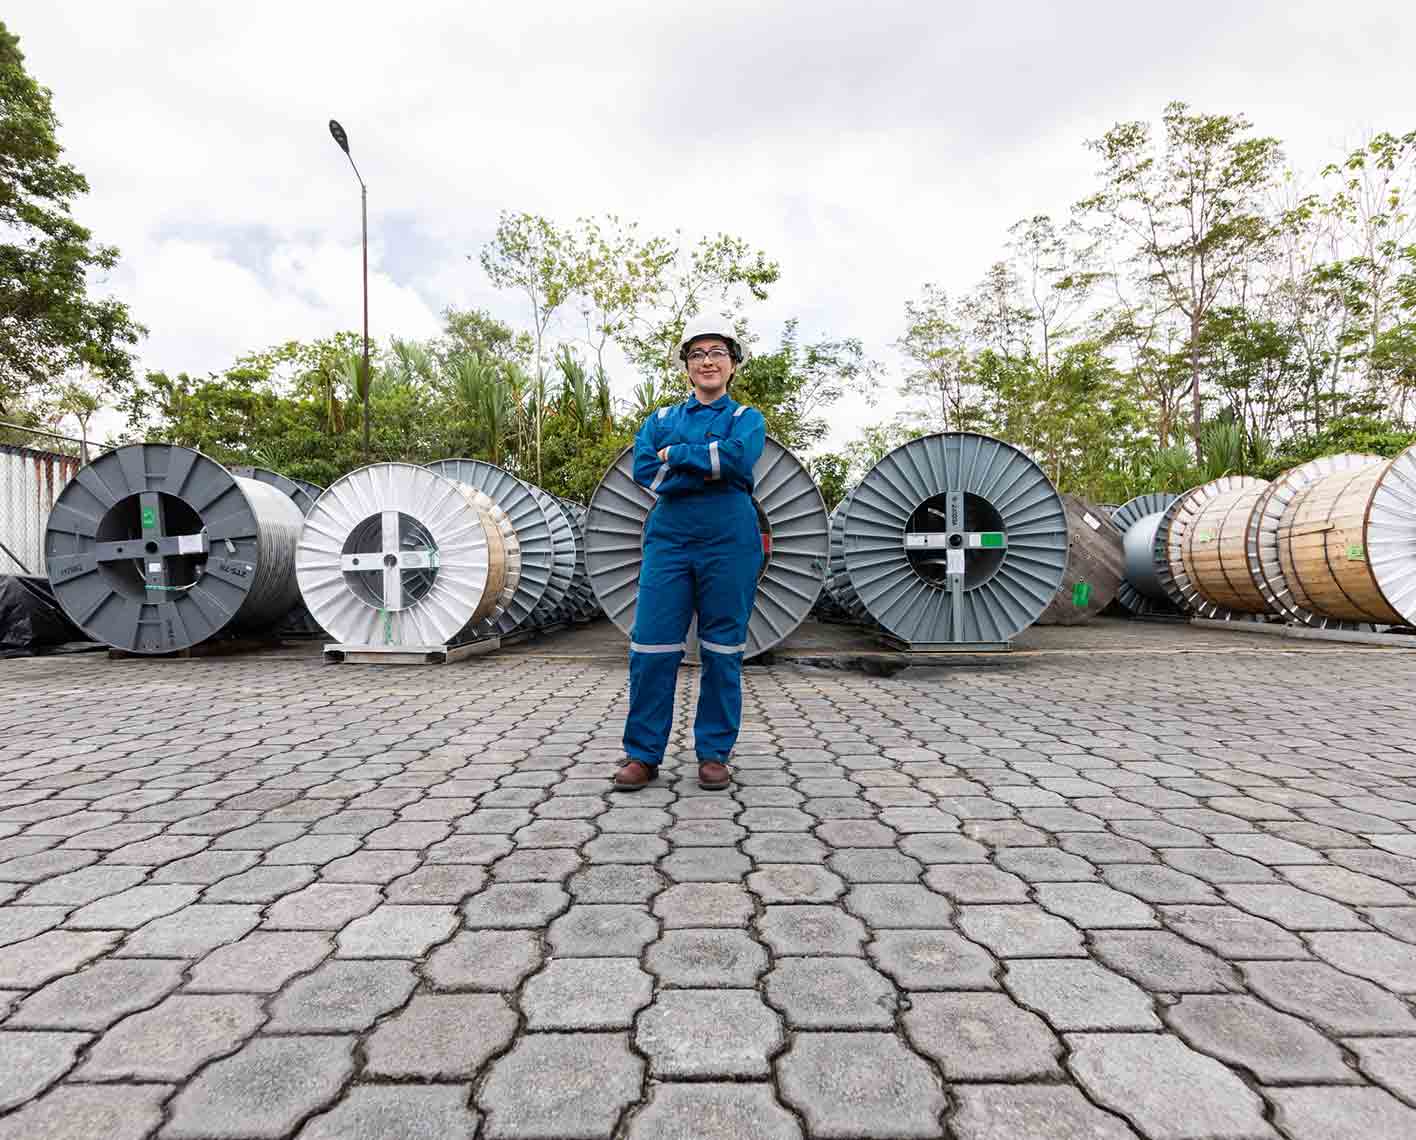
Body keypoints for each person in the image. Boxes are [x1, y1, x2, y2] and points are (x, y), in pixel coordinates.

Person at [614, 321, 766, 792]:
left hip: (731, 540)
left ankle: (714, 753)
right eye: (697, 353)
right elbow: (644, 469)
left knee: (723, 649)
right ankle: (643, 754)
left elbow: (739, 460)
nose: (707, 360)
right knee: (652, 644)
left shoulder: (747, 418)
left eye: (717, 352)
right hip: (670, 540)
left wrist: (677, 454)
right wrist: (706, 464)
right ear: (686, 366)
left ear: (732, 364)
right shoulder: (659, 419)